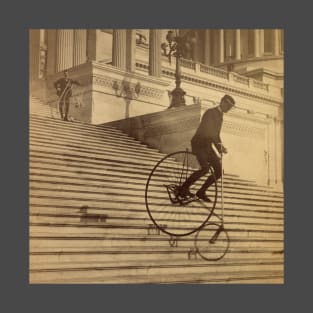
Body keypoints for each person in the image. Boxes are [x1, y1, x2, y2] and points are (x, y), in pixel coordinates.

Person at [179, 94, 236, 202]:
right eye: (228, 106)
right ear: (222, 102)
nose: (228, 109)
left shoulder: (220, 116)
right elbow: (209, 132)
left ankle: (201, 191)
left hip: (207, 146)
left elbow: (216, 134)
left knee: (219, 171)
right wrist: (219, 146)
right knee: (205, 169)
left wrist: (221, 147)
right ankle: (183, 188)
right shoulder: (211, 113)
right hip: (199, 144)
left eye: (230, 107)